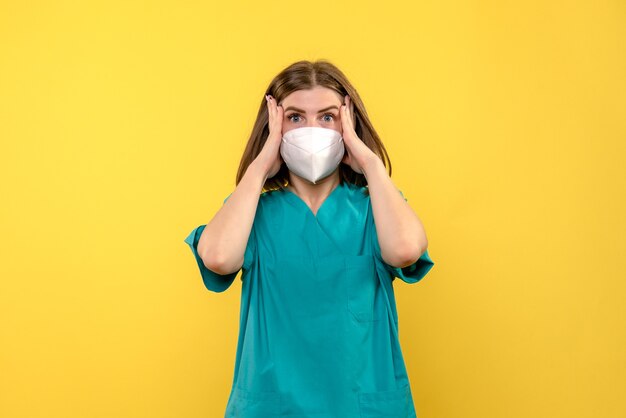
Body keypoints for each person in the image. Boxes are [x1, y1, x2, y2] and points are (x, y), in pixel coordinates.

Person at [184, 59, 435, 418]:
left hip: (362, 407)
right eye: (295, 117)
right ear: (273, 125)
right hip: (274, 407)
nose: (312, 129)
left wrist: (371, 165)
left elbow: (406, 250)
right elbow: (218, 257)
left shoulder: (374, 208)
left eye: (328, 117)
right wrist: (258, 167)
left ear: (348, 125)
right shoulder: (252, 212)